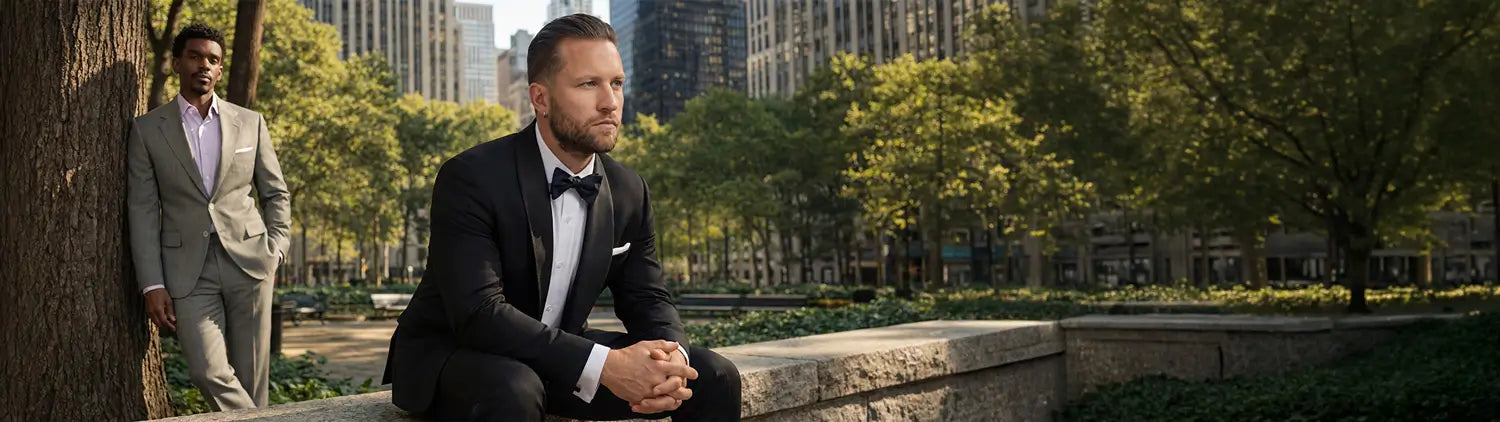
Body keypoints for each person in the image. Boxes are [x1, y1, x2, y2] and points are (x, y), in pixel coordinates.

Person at [383, 13, 741, 422]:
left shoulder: (628, 189)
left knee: (713, 376)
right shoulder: (471, 177)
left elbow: (647, 297)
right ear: (540, 98)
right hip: (456, 354)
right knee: (515, 388)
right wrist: (605, 365)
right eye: (589, 84)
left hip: (561, 356)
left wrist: (671, 359)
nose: (610, 101)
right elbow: (478, 314)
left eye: (617, 83)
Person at [127, 22, 291, 411]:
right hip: (187, 273)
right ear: (178, 62)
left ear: (220, 70)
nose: (204, 64)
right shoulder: (148, 129)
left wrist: (277, 250)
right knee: (207, 371)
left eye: (213, 60)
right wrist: (152, 285)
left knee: (254, 381)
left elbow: (276, 192)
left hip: (251, 264)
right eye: (196, 56)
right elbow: (143, 209)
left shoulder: (250, 122)